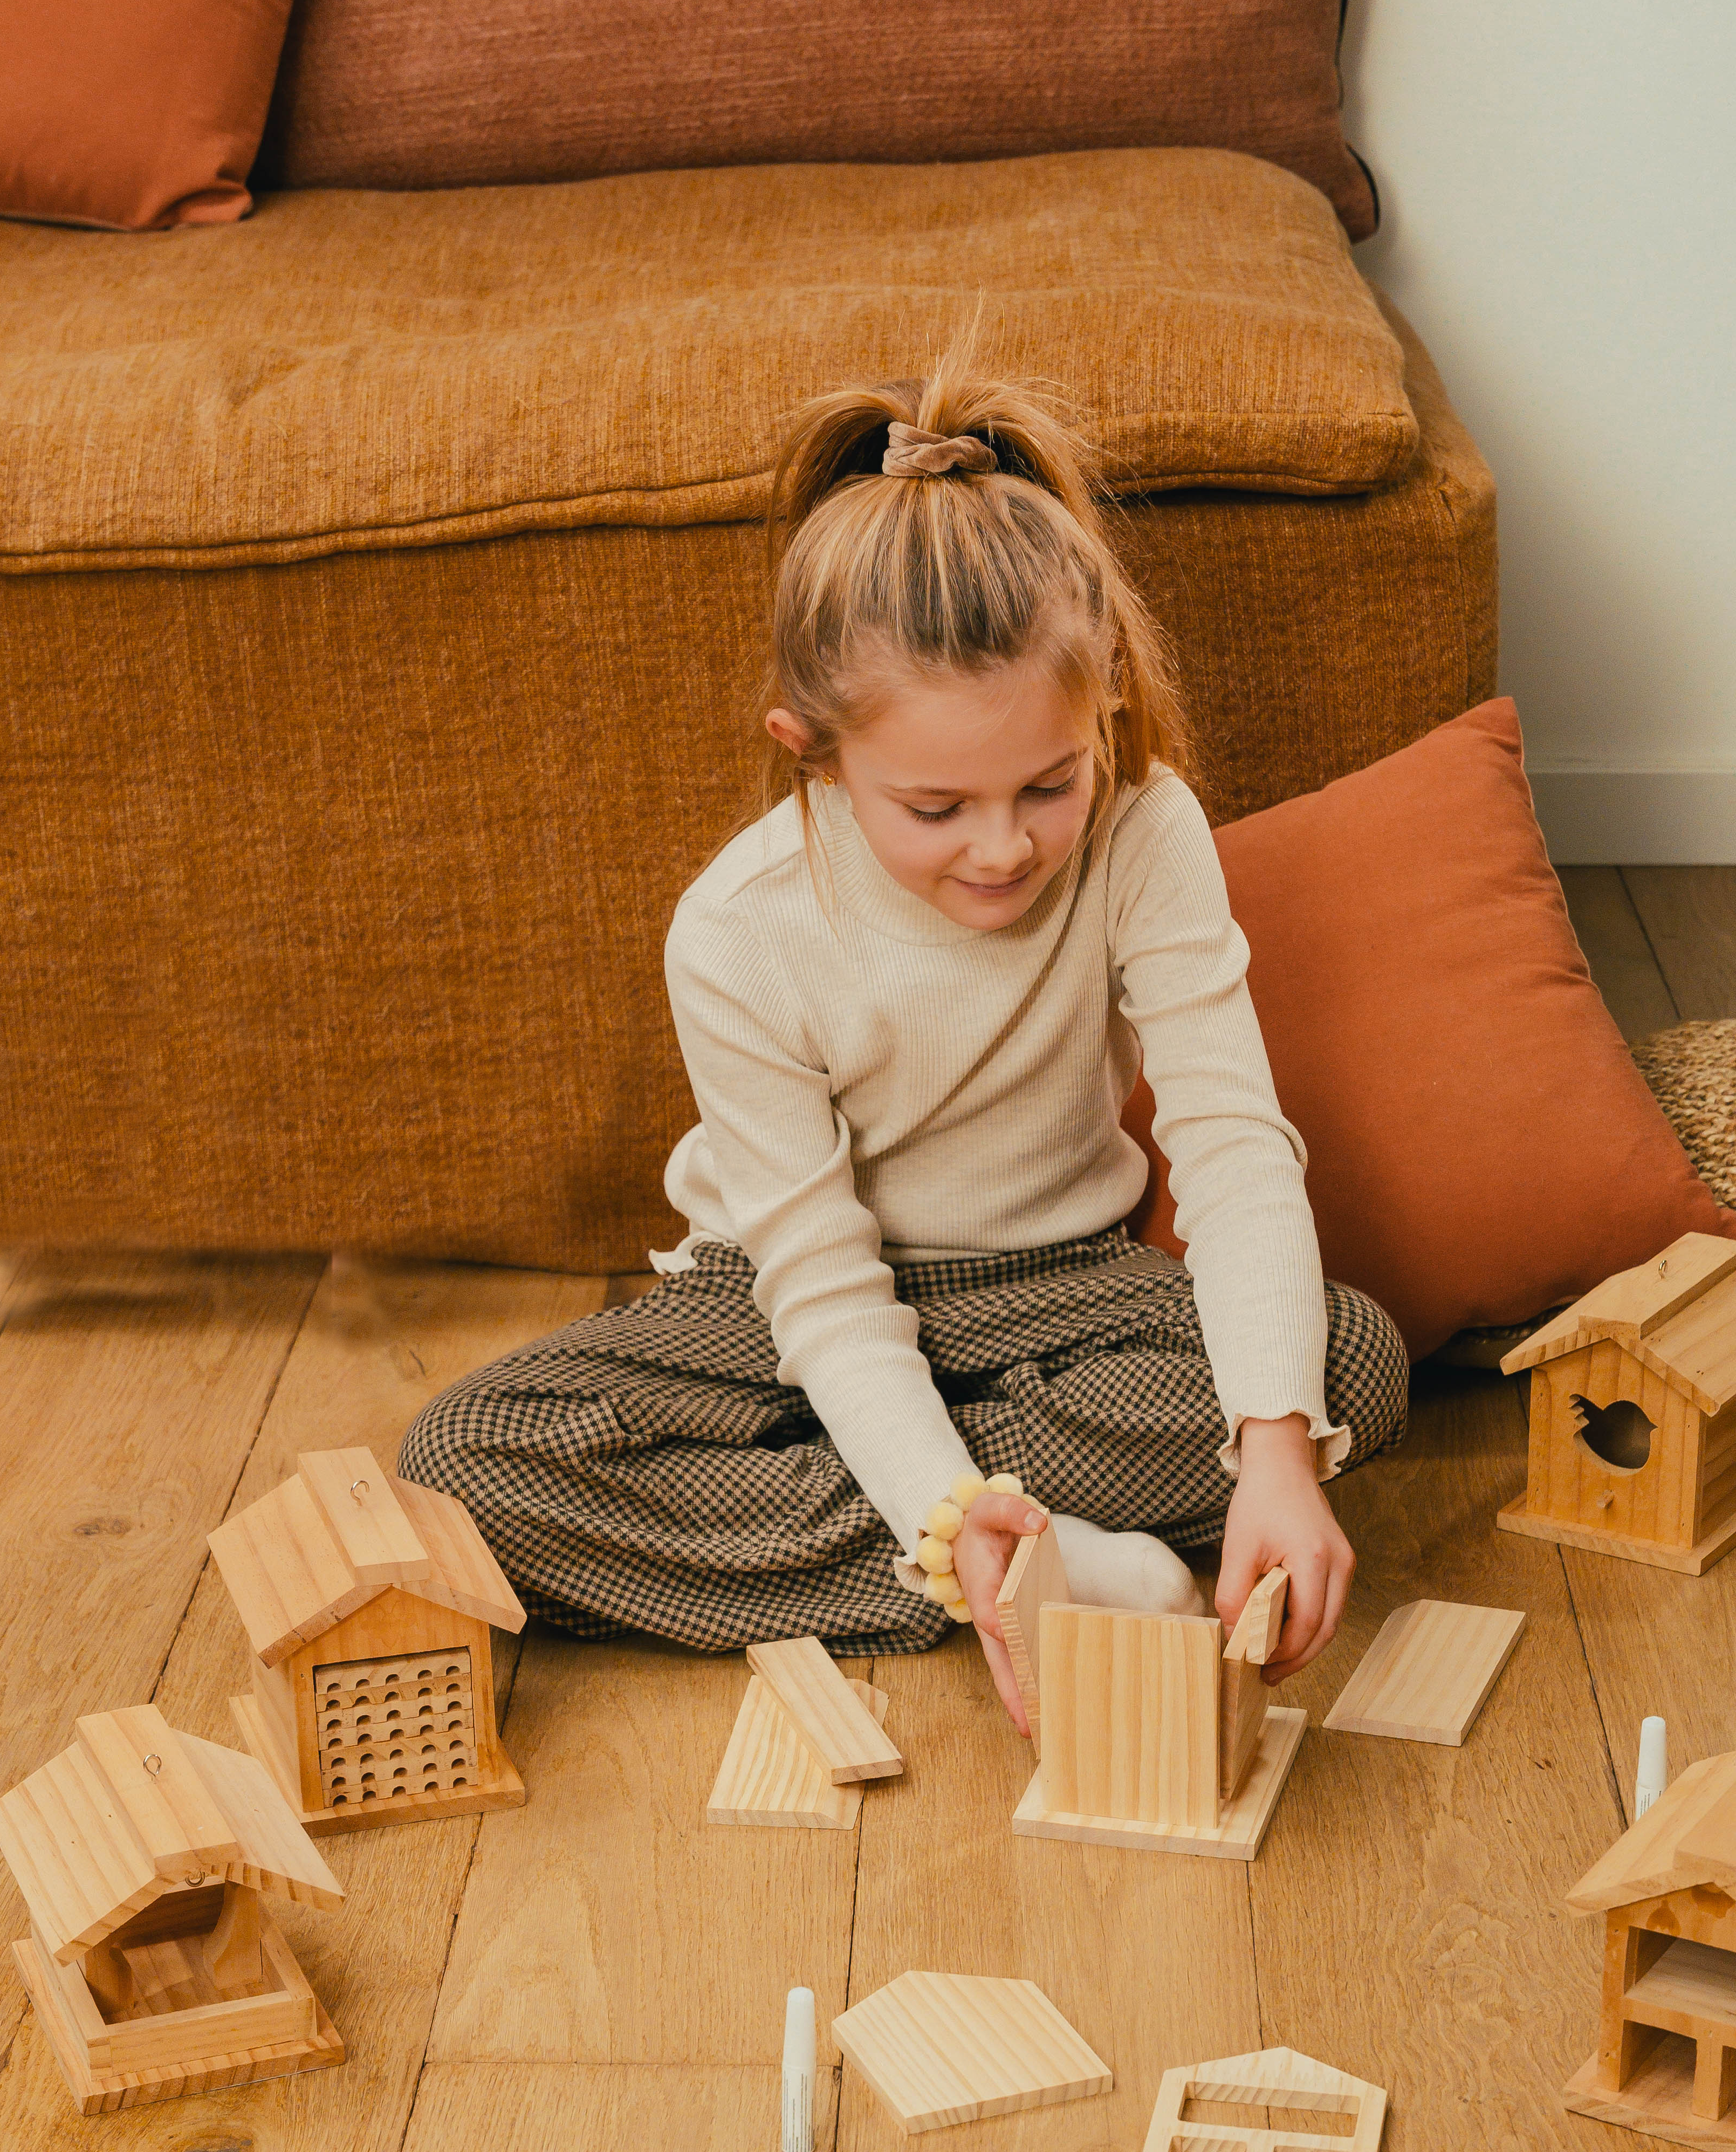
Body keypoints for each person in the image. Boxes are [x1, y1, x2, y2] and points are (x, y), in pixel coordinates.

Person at [399, 353, 1408, 1733]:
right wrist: (946, 1515)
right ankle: (1019, 1551)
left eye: (1048, 784)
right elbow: (817, 1286)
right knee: (464, 1460)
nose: (1004, 847)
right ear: (810, 752)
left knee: (1340, 1366)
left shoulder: (1146, 827)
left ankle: (944, 1531)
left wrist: (1277, 1456)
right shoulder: (736, 930)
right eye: (934, 807)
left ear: (1103, 698)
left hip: (1061, 1292)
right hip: (767, 1308)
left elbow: (1230, 1148)